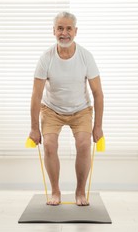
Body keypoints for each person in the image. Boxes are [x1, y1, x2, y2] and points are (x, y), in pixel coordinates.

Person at [29, 11, 104, 206]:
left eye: (68, 28)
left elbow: (98, 93)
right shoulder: (46, 58)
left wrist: (98, 126)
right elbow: (36, 96)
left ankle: (80, 192)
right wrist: (34, 128)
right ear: (54, 31)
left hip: (81, 110)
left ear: (75, 31)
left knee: (83, 144)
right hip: (52, 109)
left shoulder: (86, 57)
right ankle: (55, 191)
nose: (64, 33)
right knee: (49, 145)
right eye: (60, 28)